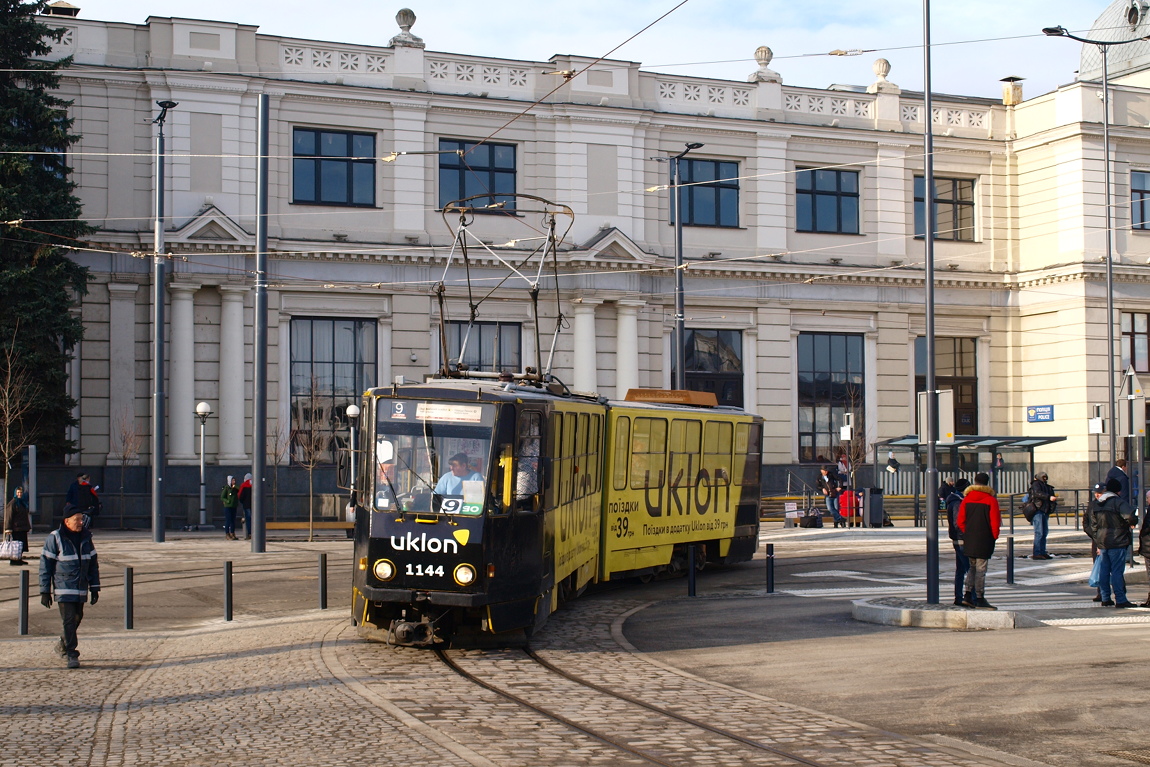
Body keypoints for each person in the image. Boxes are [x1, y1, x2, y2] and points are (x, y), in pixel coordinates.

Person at [39, 507, 100, 669]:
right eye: (77, 519)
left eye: (82, 519)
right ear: (67, 521)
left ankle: (62, 644)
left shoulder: (86, 537)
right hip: (63, 588)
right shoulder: (55, 538)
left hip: (80, 588)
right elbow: (45, 566)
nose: (81, 523)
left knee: (77, 617)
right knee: (69, 620)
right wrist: (44, 591)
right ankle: (72, 653)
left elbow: (93, 564)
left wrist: (95, 588)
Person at [1084, 479, 1137, 608]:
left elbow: (1093, 526)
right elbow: (1130, 516)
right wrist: (1129, 523)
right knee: (1117, 571)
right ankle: (1120, 598)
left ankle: (1105, 597)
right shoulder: (1118, 502)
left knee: (1104, 570)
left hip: (1103, 542)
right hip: (1117, 541)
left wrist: (1097, 542)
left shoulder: (1096, 505)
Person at [956, 472, 1001, 610]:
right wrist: (994, 536)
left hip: (970, 538)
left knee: (972, 567)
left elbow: (960, 521)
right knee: (981, 569)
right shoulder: (991, 500)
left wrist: (968, 532)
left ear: (975, 482)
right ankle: (980, 597)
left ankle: (968, 594)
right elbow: (995, 521)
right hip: (984, 538)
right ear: (987, 483)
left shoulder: (967, 499)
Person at [945, 478, 971, 607]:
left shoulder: (955, 500)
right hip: (961, 539)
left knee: (961, 569)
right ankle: (969, 596)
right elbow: (957, 523)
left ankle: (959, 596)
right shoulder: (957, 502)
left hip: (958, 538)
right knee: (968, 569)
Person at [1028, 471, 1057, 560]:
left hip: (1044, 510)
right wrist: (1048, 497)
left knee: (1044, 532)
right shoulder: (1036, 484)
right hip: (1038, 510)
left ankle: (1042, 551)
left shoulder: (1046, 486)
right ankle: (1037, 553)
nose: (1045, 479)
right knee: (1039, 532)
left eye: (1046, 477)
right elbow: (1037, 493)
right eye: (1043, 477)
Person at [3, 486, 31, 566]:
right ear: (15, 493)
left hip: (22, 527)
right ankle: (14, 560)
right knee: (15, 545)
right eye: (18, 492)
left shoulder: (22, 503)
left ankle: (19, 559)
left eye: (21, 493)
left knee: (21, 545)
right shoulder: (13, 503)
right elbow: (9, 516)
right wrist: (8, 528)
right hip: (16, 528)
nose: (19, 494)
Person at [220, 476, 239, 540]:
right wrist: (227, 501)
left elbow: (239, 489)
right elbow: (222, 497)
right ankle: (227, 533)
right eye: (233, 480)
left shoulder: (235, 488)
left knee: (233, 520)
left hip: (234, 506)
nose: (234, 481)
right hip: (228, 506)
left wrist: (235, 486)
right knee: (228, 520)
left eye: (234, 480)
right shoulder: (226, 488)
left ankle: (232, 533)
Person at [238, 473, 253, 540]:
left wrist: (243, 502)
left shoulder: (243, 485)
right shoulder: (255, 484)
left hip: (246, 505)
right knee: (254, 520)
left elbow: (240, 496)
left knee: (248, 519)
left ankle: (250, 533)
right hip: (254, 506)